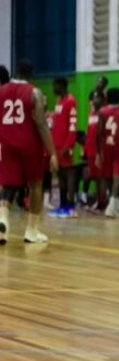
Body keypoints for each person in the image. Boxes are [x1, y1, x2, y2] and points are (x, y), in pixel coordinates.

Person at [0, 60, 59, 244]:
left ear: (16, 72)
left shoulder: (1, 90)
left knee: (8, 184)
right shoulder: (35, 93)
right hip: (29, 144)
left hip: (7, 143)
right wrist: (53, 152)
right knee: (35, 184)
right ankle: (31, 231)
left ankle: (2, 220)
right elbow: (41, 124)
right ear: (31, 74)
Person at [96, 87, 119, 219]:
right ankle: (112, 203)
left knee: (108, 176)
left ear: (107, 98)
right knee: (117, 176)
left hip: (106, 145)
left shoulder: (102, 112)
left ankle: (114, 203)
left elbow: (99, 133)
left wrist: (99, 151)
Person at [47, 76, 78, 218]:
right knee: (59, 174)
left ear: (62, 85)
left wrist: (69, 144)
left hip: (66, 145)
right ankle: (62, 204)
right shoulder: (59, 101)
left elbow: (72, 125)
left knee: (68, 173)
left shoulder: (71, 101)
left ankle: (71, 205)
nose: (53, 88)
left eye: (55, 85)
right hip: (57, 145)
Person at [83, 90, 107, 210]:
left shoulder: (104, 114)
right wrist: (85, 149)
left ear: (103, 100)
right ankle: (98, 201)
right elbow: (89, 132)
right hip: (91, 149)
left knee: (101, 177)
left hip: (100, 150)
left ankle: (102, 202)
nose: (94, 100)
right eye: (93, 98)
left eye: (97, 98)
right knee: (95, 177)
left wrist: (100, 152)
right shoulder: (91, 113)